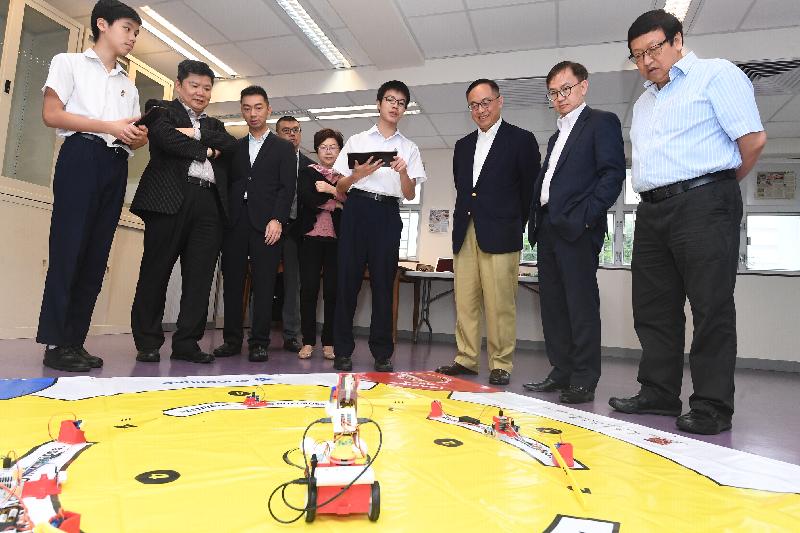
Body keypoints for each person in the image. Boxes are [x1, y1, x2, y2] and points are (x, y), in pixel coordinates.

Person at [609, 9, 766, 435]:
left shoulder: (716, 75)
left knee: (710, 307)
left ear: (678, 40)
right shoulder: (643, 102)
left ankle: (713, 405)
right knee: (654, 309)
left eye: (654, 49)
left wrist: (716, 189)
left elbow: (752, 141)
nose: (646, 61)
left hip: (704, 202)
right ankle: (658, 392)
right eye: (637, 55)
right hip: (652, 210)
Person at [36, 0, 148, 372]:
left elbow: (126, 136)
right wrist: (110, 127)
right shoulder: (67, 63)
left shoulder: (126, 85)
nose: (132, 38)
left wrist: (136, 137)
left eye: (136, 32)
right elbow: (52, 114)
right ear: (102, 24)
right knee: (68, 250)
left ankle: (74, 341)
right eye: (127, 29)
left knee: (96, 257)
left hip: (114, 165)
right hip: (80, 157)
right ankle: (54, 342)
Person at [522, 61, 625, 403]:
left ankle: (584, 378)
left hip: (577, 229)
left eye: (566, 89)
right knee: (552, 306)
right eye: (554, 92)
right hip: (548, 229)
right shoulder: (555, 136)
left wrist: (585, 218)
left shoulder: (601, 122)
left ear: (583, 86)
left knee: (580, 306)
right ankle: (561, 371)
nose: (560, 97)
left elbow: (612, 176)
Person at [130, 59, 236, 364]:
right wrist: (206, 149)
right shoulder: (160, 109)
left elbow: (229, 145)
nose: (201, 92)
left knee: (200, 277)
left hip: (208, 205)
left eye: (206, 88)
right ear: (179, 85)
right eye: (194, 85)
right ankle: (148, 341)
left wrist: (194, 135)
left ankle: (187, 343)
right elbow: (166, 138)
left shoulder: (215, 124)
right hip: (168, 200)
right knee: (155, 271)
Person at [435, 79, 540, 385]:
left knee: (500, 303)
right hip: (465, 231)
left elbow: (529, 191)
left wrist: (513, 223)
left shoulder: (521, 140)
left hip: (502, 232)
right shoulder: (462, 145)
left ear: (499, 101)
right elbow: (463, 189)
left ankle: (500, 363)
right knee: (465, 300)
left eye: (485, 102)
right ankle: (466, 359)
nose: (480, 110)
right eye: (474, 105)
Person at [332, 80, 427, 372]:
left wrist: (404, 173)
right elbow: (339, 189)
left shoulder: (408, 148)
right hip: (357, 208)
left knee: (384, 284)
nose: (395, 105)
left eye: (401, 102)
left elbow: (410, 194)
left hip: (388, 214)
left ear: (405, 109)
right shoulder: (357, 141)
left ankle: (382, 353)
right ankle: (342, 351)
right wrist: (357, 175)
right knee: (347, 282)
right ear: (379, 103)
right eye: (390, 99)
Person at [212, 87, 296, 362]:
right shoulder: (233, 148)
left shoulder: (284, 148)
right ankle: (232, 340)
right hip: (235, 222)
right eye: (247, 108)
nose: (253, 113)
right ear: (242, 111)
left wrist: (278, 219)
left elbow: (287, 188)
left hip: (267, 224)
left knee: (264, 284)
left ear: (268, 110)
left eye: (258, 107)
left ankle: (259, 342)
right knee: (233, 282)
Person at [296, 129, 346, 359]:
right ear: (316, 149)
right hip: (310, 238)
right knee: (308, 290)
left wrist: (328, 191)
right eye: (324, 147)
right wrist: (336, 202)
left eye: (333, 147)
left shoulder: (347, 177)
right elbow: (309, 199)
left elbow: (352, 206)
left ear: (340, 150)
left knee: (333, 293)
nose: (328, 151)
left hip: (337, 242)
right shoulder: (307, 173)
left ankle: (329, 343)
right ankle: (307, 341)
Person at [274, 116, 311, 354]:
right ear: (277, 134)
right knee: (263, 281)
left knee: (292, 284)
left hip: (296, 232)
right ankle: (258, 334)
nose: (292, 134)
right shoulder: (269, 160)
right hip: (269, 227)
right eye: (286, 130)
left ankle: (290, 335)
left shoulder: (309, 166)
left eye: (296, 130)